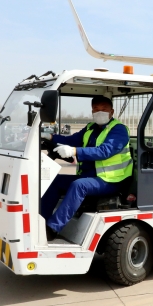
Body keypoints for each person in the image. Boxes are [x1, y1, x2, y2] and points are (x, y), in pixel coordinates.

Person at [40, 95, 132, 241]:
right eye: (96, 109)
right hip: (91, 175)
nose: (99, 112)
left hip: (112, 180)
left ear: (112, 112)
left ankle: (52, 229)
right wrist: (50, 137)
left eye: (104, 109)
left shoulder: (119, 130)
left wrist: (74, 151)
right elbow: (71, 140)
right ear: (92, 112)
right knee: (55, 181)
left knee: (79, 185)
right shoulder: (90, 128)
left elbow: (105, 151)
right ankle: (40, 221)